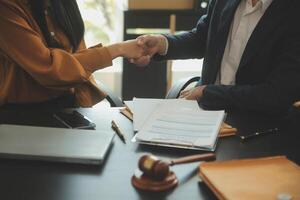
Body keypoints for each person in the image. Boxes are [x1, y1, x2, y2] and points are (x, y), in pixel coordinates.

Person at [133, 0, 300, 115]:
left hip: (255, 125)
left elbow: (277, 95)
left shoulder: (293, 13)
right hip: (204, 113)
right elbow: (202, 38)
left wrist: (207, 93)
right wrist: (162, 44)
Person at [0, 0, 145, 108]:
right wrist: (118, 49)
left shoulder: (63, 4)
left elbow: (77, 59)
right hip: (22, 116)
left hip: (69, 108)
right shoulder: (6, 7)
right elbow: (50, 69)